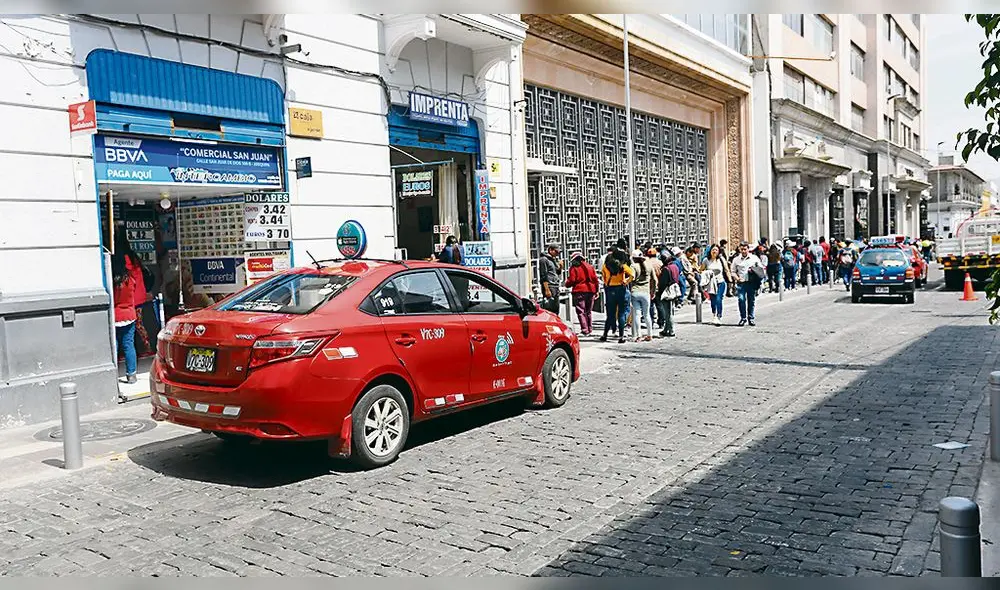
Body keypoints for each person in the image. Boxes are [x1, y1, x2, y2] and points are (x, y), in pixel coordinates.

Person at [114, 233, 152, 357]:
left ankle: (147, 347)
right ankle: (146, 347)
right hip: (138, 295)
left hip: (131, 298)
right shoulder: (133, 256)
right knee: (138, 324)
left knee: (137, 325)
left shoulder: (124, 259)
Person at [112, 253, 138, 384]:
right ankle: (131, 375)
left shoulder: (113, 281)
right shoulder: (130, 279)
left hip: (115, 317)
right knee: (129, 345)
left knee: (114, 346)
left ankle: (113, 374)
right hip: (129, 315)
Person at [600, 248, 635, 344]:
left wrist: (607, 283)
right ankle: (621, 336)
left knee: (610, 314)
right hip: (621, 290)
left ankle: (605, 335)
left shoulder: (605, 266)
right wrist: (626, 281)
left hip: (610, 290)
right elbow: (632, 275)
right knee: (621, 314)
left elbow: (603, 277)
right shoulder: (622, 266)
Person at [731, 241, 765, 327]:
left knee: (751, 300)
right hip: (741, 283)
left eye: (745, 249)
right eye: (741, 249)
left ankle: (751, 318)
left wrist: (754, 270)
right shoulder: (736, 260)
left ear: (748, 249)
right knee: (741, 300)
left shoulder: (754, 258)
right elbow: (733, 271)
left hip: (751, 282)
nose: (743, 251)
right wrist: (737, 278)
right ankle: (743, 318)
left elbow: (761, 269)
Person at [565, 252, 599, 336]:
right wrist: (596, 291)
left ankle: (584, 329)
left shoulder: (574, 268)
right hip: (591, 290)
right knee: (589, 311)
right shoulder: (590, 267)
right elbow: (595, 280)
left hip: (579, 291)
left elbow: (572, 280)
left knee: (581, 311)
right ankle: (590, 328)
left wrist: (566, 284)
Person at [701, 244, 732, 325]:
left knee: (719, 299)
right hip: (711, 283)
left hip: (720, 282)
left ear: (718, 252)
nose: (714, 251)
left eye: (716, 250)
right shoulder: (706, 260)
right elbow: (701, 270)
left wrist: (730, 280)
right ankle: (714, 314)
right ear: (710, 251)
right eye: (713, 250)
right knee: (713, 300)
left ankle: (719, 315)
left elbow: (726, 270)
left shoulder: (721, 259)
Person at [630, 249, 656, 342]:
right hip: (646, 292)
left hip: (635, 292)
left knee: (637, 314)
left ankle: (639, 335)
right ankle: (650, 334)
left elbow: (631, 277)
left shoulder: (633, 266)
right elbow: (654, 279)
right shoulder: (649, 265)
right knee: (647, 314)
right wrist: (653, 291)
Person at [654, 248, 681, 337]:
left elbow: (663, 283)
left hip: (667, 291)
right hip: (675, 290)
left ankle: (671, 330)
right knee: (670, 311)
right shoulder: (675, 266)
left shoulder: (666, 269)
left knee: (668, 313)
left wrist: (659, 293)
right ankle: (666, 329)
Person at [538, 243, 563, 315]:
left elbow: (556, 272)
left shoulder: (553, 259)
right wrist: (546, 289)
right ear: (550, 250)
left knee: (556, 308)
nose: (557, 254)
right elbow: (543, 275)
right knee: (549, 309)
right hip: (550, 286)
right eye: (556, 252)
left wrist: (561, 267)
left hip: (555, 286)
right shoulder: (544, 259)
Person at [645, 248, 664, 328]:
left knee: (650, 305)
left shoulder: (647, 263)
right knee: (659, 305)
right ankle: (661, 322)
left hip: (649, 286)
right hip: (659, 285)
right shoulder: (660, 262)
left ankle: (651, 322)